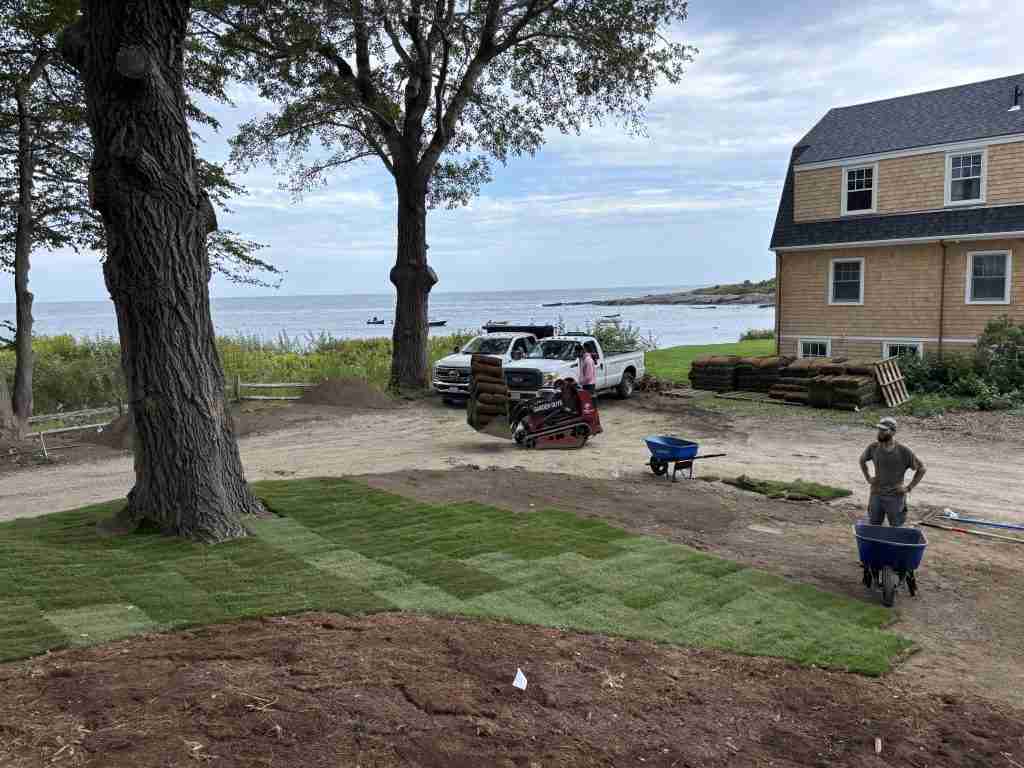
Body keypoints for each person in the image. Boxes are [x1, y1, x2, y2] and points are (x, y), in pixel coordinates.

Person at [859, 417, 926, 526]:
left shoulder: (903, 451)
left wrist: (908, 488)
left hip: (895, 497)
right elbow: (862, 460)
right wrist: (868, 477)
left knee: (896, 527)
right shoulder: (873, 447)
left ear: (893, 432)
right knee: (874, 525)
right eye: (879, 429)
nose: (880, 433)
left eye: (884, 430)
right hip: (876, 494)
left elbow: (922, 469)